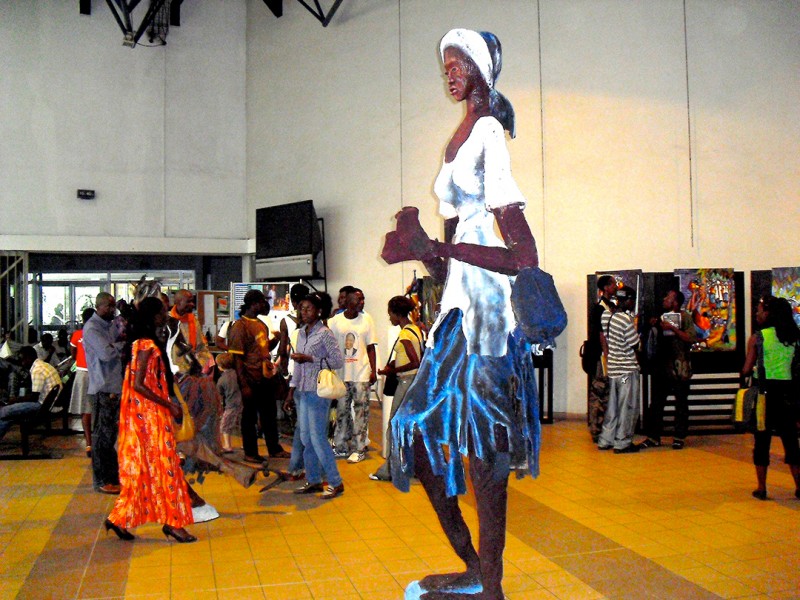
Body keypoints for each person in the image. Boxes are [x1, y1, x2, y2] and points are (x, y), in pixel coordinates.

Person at [380, 29, 560, 600]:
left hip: (488, 324)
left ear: (482, 70)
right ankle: (474, 566)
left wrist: (443, 249)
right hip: (457, 315)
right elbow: (445, 266)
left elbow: (522, 257)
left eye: (458, 64)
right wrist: (421, 250)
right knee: (408, 432)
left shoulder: (487, 134)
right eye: (446, 66)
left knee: (485, 456)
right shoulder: (458, 140)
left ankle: (492, 583)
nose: (450, 73)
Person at [104, 297, 196, 543]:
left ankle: (119, 518)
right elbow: (139, 383)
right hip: (150, 414)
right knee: (167, 466)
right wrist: (170, 404)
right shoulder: (145, 344)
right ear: (154, 316)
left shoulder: (141, 342)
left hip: (142, 413)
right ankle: (174, 523)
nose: (167, 314)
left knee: (145, 467)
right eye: (163, 311)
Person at [740, 295, 800, 500]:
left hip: (764, 395)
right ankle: (798, 485)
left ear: (769, 313)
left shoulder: (758, 338)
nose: (757, 313)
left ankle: (762, 487)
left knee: (762, 441)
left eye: (759, 310)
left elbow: (746, 370)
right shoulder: (794, 337)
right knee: (791, 440)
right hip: (789, 394)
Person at [288, 293, 345, 499]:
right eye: (301, 308)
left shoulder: (325, 333)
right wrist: (291, 389)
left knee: (318, 438)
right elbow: (297, 365)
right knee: (305, 438)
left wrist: (310, 358)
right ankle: (313, 480)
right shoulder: (302, 332)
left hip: (318, 391)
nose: (303, 312)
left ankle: (336, 482)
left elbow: (337, 361)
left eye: (308, 309)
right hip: (302, 390)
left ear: (319, 311)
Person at [227, 289, 288, 463]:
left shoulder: (261, 324)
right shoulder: (240, 326)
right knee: (250, 417)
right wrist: (244, 384)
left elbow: (262, 348)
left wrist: (276, 340)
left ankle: (274, 448)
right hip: (250, 378)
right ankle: (250, 452)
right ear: (253, 304)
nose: (265, 305)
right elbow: (238, 358)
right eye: (262, 302)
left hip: (265, 376)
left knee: (269, 415)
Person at [370, 296, 422, 482]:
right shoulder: (415, 330)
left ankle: (390, 470)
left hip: (406, 383)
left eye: (390, 313)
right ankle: (409, 467)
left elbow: (415, 361)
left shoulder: (405, 335)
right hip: (414, 384)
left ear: (395, 313)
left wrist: (391, 370)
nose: (389, 317)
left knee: (394, 426)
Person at [637, 289, 697, 451]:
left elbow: (691, 338)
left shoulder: (685, 317)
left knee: (681, 404)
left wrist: (673, 329)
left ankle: (679, 437)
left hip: (680, 368)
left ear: (676, 302)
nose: (664, 299)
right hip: (661, 368)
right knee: (656, 403)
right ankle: (653, 436)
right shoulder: (660, 317)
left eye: (668, 297)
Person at [328, 288, 377, 463]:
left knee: (360, 412)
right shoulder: (335, 322)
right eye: (358, 299)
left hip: (361, 373)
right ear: (348, 302)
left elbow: (371, 347)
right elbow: (330, 347)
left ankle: (359, 447)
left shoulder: (367, 320)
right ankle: (340, 446)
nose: (362, 302)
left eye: (363, 299)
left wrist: (373, 370)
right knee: (341, 411)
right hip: (342, 374)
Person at [83, 292, 124, 495]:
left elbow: (117, 340)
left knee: (110, 437)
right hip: (103, 389)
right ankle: (101, 480)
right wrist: (121, 346)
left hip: (114, 388)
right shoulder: (92, 328)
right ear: (99, 306)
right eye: (110, 306)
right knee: (102, 438)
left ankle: (112, 477)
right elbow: (106, 354)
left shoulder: (108, 326)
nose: (113, 310)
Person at [597, 287, 641, 454]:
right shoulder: (624, 320)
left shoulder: (606, 316)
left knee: (613, 407)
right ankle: (622, 442)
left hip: (613, 369)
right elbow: (635, 343)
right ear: (628, 300)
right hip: (626, 371)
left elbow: (607, 339)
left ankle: (605, 439)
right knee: (627, 406)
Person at [0, 346, 62, 442]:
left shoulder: (37, 370)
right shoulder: (43, 365)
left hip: (41, 406)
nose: (22, 363)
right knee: (8, 416)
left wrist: (15, 400)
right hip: (47, 403)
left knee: (4, 411)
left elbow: (34, 397)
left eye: (22, 359)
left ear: (29, 358)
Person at [587, 275, 616, 442]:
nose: (615, 287)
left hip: (606, 356)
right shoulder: (599, 309)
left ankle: (605, 428)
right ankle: (596, 430)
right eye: (612, 284)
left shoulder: (611, 306)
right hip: (600, 357)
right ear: (605, 287)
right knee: (598, 392)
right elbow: (600, 334)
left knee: (606, 393)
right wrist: (607, 354)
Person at [69, 308, 95, 457]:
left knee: (85, 410)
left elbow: (73, 353)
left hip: (81, 372)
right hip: (95, 373)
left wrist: (80, 360)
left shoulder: (77, 335)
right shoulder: (97, 333)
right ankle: (94, 441)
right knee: (96, 408)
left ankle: (88, 443)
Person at [216, 352, 242, 453]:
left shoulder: (222, 379)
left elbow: (219, 394)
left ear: (220, 367)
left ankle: (227, 445)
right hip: (242, 402)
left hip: (231, 405)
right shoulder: (238, 374)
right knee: (243, 425)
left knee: (225, 426)